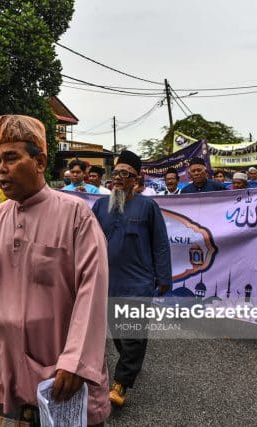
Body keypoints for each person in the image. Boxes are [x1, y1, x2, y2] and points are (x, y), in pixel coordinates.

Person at [0, 115, 110, 426]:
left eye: (11, 158)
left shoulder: (75, 215)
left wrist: (75, 361)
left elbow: (92, 290)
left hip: (56, 369)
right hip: (2, 365)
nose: (1, 168)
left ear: (40, 161)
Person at [92, 150, 172, 409]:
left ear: (137, 179)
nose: (118, 178)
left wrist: (164, 277)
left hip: (138, 281)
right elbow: (89, 242)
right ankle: (130, 362)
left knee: (133, 334)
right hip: (108, 281)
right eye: (115, 173)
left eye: (124, 174)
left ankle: (121, 383)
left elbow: (160, 243)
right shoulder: (100, 206)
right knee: (118, 330)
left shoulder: (148, 206)